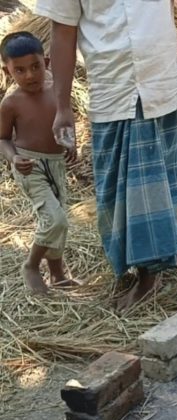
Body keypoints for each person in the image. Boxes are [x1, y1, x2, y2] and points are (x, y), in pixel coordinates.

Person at [37, 0, 177, 310]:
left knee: (168, 183)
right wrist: (63, 106)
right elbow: (62, 35)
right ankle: (146, 273)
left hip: (163, 84)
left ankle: (166, 254)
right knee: (125, 192)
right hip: (112, 92)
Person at [0, 32, 78, 294]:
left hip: (56, 163)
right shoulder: (11, 103)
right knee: (54, 219)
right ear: (7, 71)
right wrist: (13, 158)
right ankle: (31, 265)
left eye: (35, 66)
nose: (30, 75)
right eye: (19, 70)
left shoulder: (58, 90)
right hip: (29, 165)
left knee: (60, 219)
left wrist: (71, 143)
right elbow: (2, 138)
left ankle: (57, 275)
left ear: (46, 62)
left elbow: (66, 120)